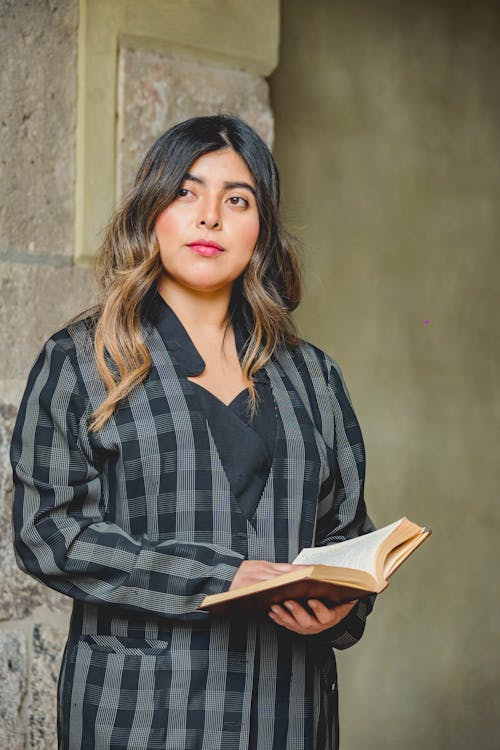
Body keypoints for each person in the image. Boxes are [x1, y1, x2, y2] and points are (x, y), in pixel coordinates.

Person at [11, 114, 375, 750]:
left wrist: (344, 606)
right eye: (187, 191)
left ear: (260, 231)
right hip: (143, 713)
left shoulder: (313, 375)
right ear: (152, 210)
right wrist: (218, 577)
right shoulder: (83, 360)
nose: (210, 216)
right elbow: (49, 533)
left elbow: (345, 528)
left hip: (287, 711)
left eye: (237, 199)